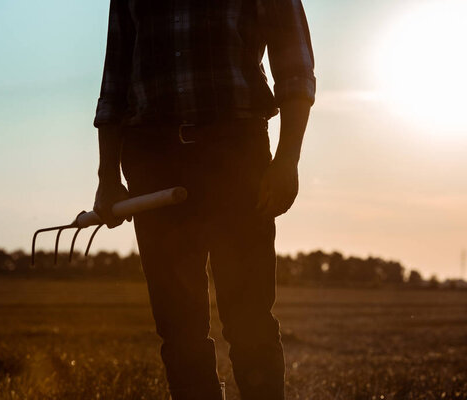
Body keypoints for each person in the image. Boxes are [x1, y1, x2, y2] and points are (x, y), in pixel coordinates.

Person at [92, 1, 315, 399]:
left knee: (249, 320)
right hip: (152, 158)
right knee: (179, 329)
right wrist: (107, 176)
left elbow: (294, 66)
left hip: (235, 154)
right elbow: (115, 82)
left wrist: (287, 159)